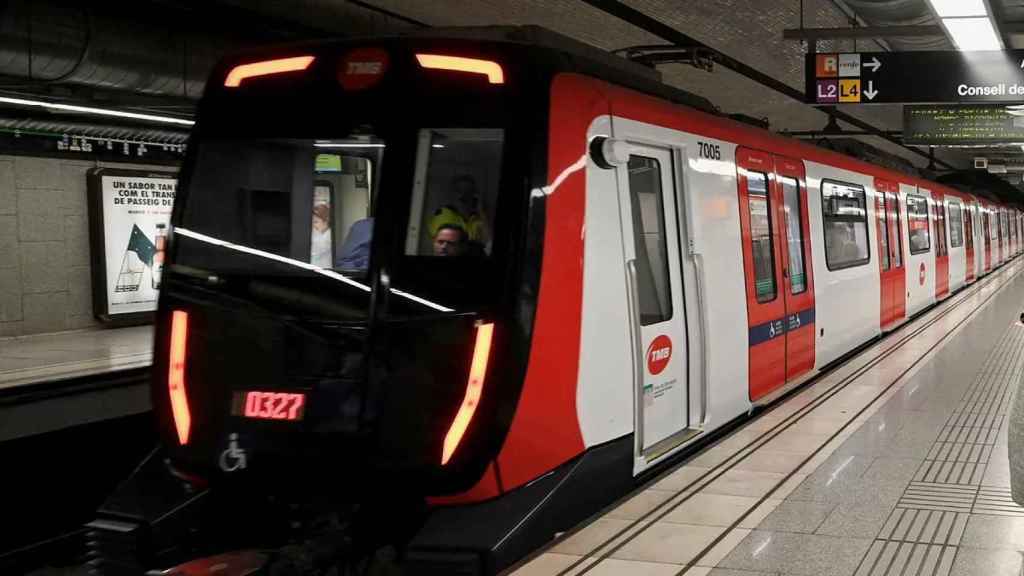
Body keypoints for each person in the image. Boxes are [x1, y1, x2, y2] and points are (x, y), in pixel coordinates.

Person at [428, 175, 490, 250]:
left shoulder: (476, 218)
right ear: (452, 194)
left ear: (474, 195)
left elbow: (489, 243)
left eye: (468, 191)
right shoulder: (443, 214)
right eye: (459, 191)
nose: (462, 195)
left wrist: (481, 211)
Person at [310, 204, 332, 268]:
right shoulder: (319, 234)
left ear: (326, 221)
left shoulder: (328, 237)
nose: (313, 226)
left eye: (316, 222)